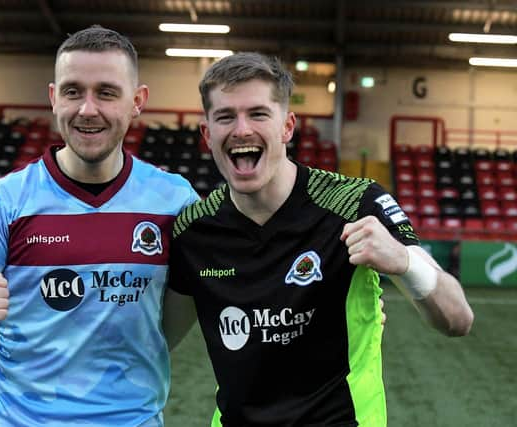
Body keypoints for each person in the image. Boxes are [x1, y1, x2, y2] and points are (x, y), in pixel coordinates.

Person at [165, 52, 474, 426]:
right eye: (225, 116)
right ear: (206, 133)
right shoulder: (194, 229)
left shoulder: (356, 203)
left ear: (287, 126)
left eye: (258, 114)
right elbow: (158, 339)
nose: (241, 129)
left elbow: (457, 319)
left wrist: (405, 263)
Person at [0, 26, 199, 426]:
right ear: (54, 98)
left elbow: (189, 311)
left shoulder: (176, 202)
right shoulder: (7, 198)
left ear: (137, 101)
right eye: (73, 91)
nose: (88, 109)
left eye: (106, 92)